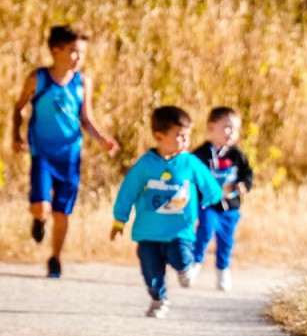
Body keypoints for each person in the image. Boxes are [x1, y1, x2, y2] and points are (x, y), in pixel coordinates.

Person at [11, 25, 119, 278]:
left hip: (69, 157)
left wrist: (102, 138)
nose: (79, 58)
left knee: (62, 211)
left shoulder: (83, 82)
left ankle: (55, 258)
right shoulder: (38, 78)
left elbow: (86, 118)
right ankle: (38, 220)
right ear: (55, 51)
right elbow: (18, 109)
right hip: (42, 154)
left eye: (82, 53)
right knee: (41, 207)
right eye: (73, 51)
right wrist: (15, 136)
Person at [110, 106, 222, 318]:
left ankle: (186, 267)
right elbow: (128, 192)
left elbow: (210, 186)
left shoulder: (189, 162)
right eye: (179, 136)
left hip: (180, 230)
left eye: (188, 136)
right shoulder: (145, 165)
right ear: (159, 136)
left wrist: (211, 200)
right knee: (151, 271)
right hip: (148, 232)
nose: (185, 141)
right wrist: (119, 221)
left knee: (180, 257)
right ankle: (158, 300)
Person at [186, 106, 253, 291]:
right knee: (205, 231)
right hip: (208, 204)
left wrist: (243, 185)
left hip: (230, 207)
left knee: (226, 240)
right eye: (227, 127)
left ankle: (223, 271)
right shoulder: (201, 154)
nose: (231, 133)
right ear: (211, 127)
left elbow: (247, 174)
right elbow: (189, 172)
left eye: (235, 129)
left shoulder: (236, 155)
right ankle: (195, 264)